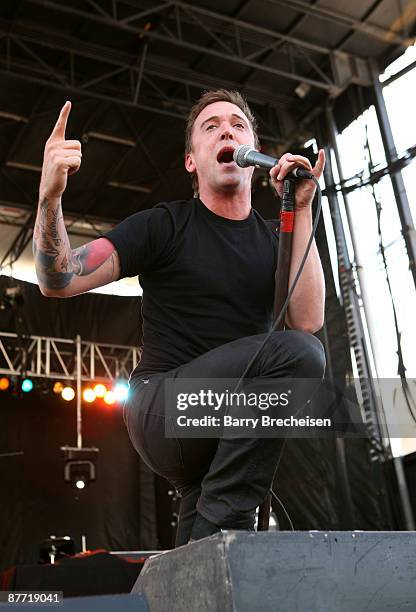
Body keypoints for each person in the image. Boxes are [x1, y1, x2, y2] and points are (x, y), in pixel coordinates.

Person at [33, 89, 326, 546]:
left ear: (254, 152)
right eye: (211, 127)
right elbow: (59, 279)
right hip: (162, 408)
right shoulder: (164, 225)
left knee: (198, 560)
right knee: (300, 355)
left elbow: (307, 320)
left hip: (224, 430)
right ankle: (228, 526)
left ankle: (205, 550)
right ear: (192, 161)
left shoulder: (276, 241)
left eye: (237, 125)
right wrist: (49, 196)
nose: (226, 130)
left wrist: (302, 206)